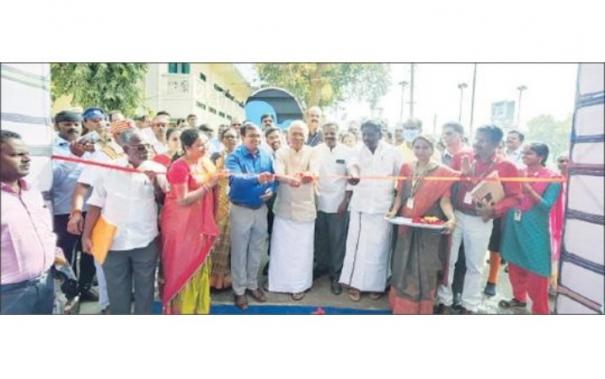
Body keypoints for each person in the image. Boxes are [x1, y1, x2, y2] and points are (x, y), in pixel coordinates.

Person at [436, 125, 522, 314]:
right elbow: (448, 183)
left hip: (480, 220)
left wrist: (494, 210)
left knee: (474, 264)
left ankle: (469, 305)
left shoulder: (506, 166)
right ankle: (445, 300)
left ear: (496, 144)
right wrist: (448, 211)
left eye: (482, 140)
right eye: (476, 138)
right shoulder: (461, 157)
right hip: (456, 215)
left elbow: (516, 196)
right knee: (448, 260)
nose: (476, 143)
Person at [81, 129, 167, 315]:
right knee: (117, 292)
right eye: (140, 147)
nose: (145, 151)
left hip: (145, 240)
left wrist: (154, 185)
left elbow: (165, 202)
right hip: (113, 242)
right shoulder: (108, 169)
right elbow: (95, 204)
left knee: (145, 291)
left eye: (147, 147)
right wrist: (86, 235)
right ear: (126, 149)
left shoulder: (158, 169)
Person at [386, 135, 457, 314]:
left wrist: (451, 218)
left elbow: (445, 201)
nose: (420, 151)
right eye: (417, 147)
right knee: (402, 263)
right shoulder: (406, 167)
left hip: (428, 227)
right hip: (406, 224)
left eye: (425, 148)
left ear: (433, 150)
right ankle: (401, 306)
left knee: (425, 266)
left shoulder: (443, 172)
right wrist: (394, 210)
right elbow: (400, 194)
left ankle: (422, 308)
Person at [1, 130, 65, 314]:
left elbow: (44, 232)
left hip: (45, 283)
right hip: (9, 294)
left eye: (27, 153)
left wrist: (59, 261)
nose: (27, 159)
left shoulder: (32, 191)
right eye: (16, 154)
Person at [340, 119, 404, 301]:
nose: (367, 138)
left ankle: (378, 285)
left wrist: (396, 204)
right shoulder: (356, 150)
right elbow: (352, 166)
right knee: (358, 248)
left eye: (371, 134)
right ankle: (355, 284)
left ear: (380, 134)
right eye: (364, 134)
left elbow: (401, 177)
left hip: (383, 207)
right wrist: (353, 175)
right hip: (361, 206)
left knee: (380, 248)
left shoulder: (393, 152)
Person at [67, 107, 121, 313]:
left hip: (139, 226)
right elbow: (82, 187)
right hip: (105, 222)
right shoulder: (104, 157)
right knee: (104, 266)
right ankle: (108, 306)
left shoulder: (143, 156)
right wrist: (75, 214)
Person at [160, 128, 220, 314]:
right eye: (199, 145)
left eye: (205, 144)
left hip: (200, 224)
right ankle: (181, 310)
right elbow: (183, 199)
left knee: (199, 265)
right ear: (186, 147)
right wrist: (209, 185)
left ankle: (197, 309)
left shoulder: (204, 163)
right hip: (181, 225)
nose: (204, 148)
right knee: (182, 265)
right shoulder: (180, 167)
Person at [499, 143, 561, 314]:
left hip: (534, 229)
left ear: (540, 157)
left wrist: (527, 188)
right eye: (524, 153)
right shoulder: (518, 172)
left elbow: (546, 206)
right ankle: (519, 299)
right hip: (514, 225)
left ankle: (540, 310)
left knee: (537, 270)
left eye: (529, 153)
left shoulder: (553, 178)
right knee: (514, 263)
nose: (524, 155)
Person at [226, 122, 276, 310]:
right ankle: (239, 291)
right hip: (240, 209)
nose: (256, 139)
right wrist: (257, 178)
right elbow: (235, 179)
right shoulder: (234, 157)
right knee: (239, 251)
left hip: (260, 208)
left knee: (256, 249)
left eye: (258, 136)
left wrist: (271, 190)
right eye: (252, 136)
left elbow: (273, 177)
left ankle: (252, 285)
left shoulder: (266, 154)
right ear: (242, 137)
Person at [51, 110, 99, 302]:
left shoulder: (94, 149)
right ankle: (68, 292)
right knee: (65, 253)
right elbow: (53, 178)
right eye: (66, 123)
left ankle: (85, 287)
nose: (72, 127)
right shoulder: (51, 149)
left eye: (75, 124)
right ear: (57, 126)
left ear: (82, 126)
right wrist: (75, 157)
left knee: (89, 252)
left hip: (92, 209)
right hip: (63, 210)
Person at [269, 120, 318, 300]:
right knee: (282, 249)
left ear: (306, 136)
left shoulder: (313, 152)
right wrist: (289, 179)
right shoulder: (281, 152)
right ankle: (279, 283)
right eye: (294, 133)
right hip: (284, 208)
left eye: (301, 134)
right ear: (287, 136)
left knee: (301, 251)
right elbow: (278, 172)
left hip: (305, 209)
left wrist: (307, 176)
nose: (297, 137)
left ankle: (299, 285)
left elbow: (315, 171)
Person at [313, 122, 353, 295]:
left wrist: (345, 201)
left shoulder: (347, 152)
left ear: (338, 133)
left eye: (332, 133)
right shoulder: (316, 151)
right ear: (322, 135)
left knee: (337, 240)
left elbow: (352, 176)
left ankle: (336, 274)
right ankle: (321, 267)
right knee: (320, 238)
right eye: (327, 133)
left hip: (339, 203)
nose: (330, 136)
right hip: (319, 201)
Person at [440, 122, 473, 307]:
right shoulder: (439, 157)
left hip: (463, 212)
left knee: (462, 256)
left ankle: (458, 293)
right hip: (441, 210)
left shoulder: (470, 155)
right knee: (445, 255)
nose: (446, 138)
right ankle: (442, 295)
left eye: (450, 134)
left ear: (460, 135)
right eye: (443, 135)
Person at [209, 126, 239, 290]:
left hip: (237, 203)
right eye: (227, 137)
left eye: (234, 137)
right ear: (222, 139)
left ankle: (230, 280)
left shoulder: (242, 157)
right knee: (218, 242)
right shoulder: (215, 157)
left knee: (234, 244)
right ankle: (215, 281)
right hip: (219, 203)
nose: (230, 140)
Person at [549, 153, 568, 292]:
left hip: (570, 222)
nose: (564, 163)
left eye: (567, 160)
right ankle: (552, 285)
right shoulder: (554, 179)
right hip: (554, 221)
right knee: (553, 252)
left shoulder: (579, 181)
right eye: (561, 161)